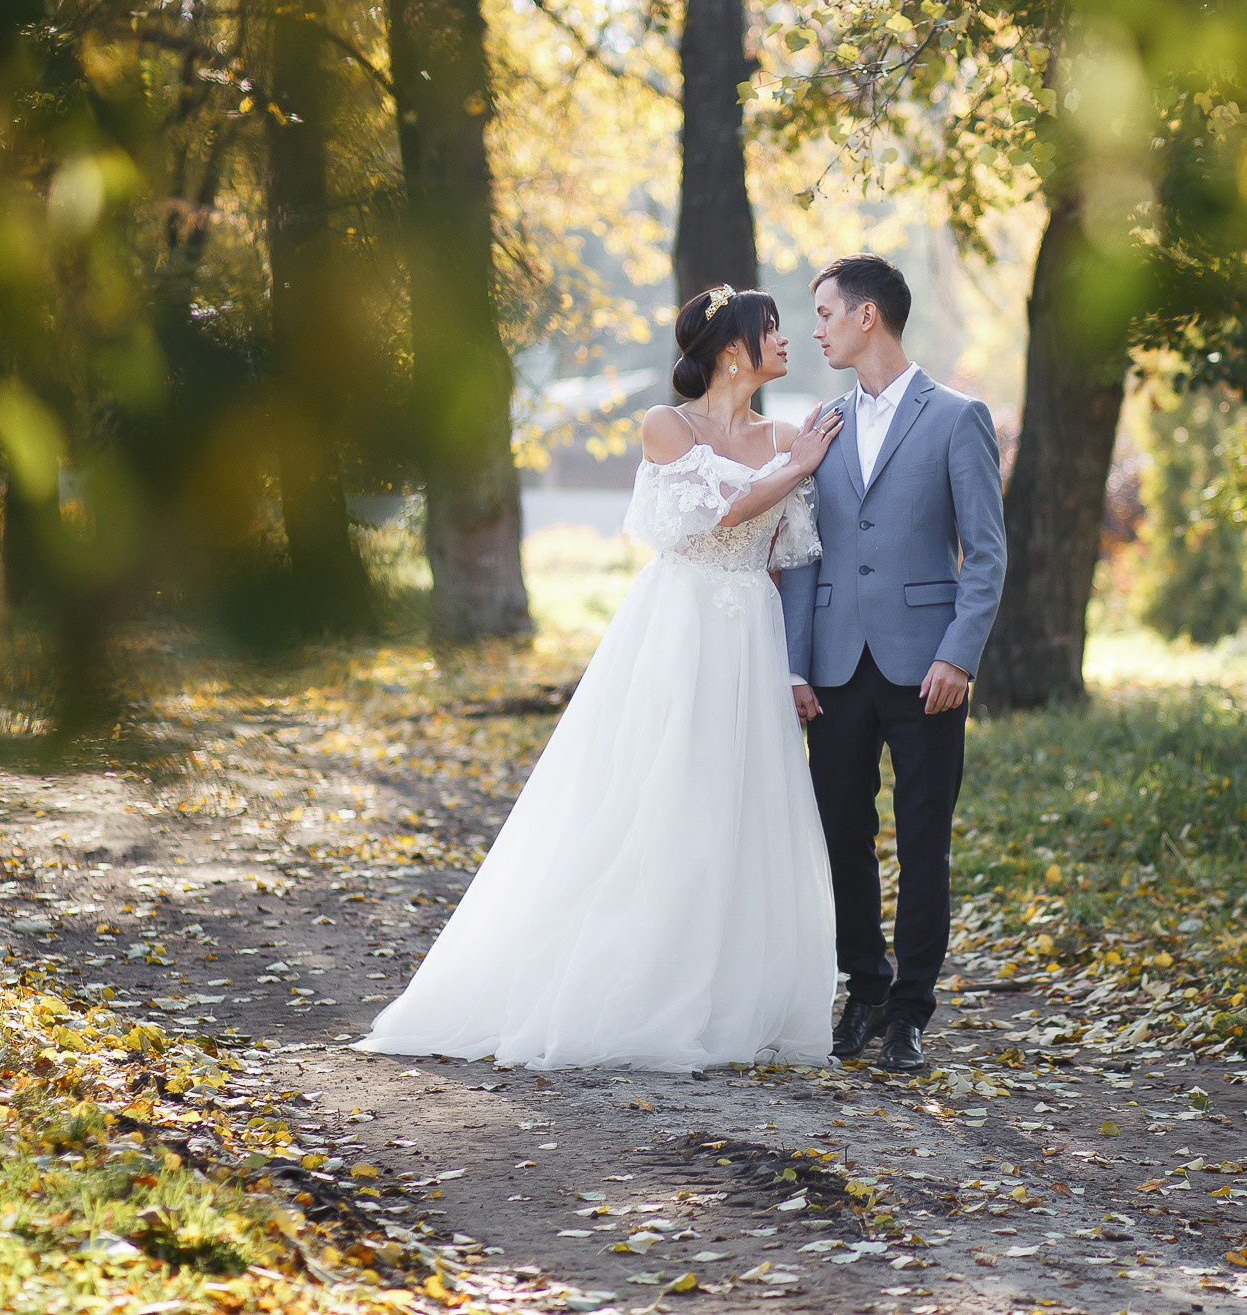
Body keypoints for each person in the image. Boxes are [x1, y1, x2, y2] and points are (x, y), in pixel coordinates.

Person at [358, 286, 844, 1071]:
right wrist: (798, 468)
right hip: (677, 627)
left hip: (748, 631)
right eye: (772, 330)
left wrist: (792, 663)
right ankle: (621, 983)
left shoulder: (789, 436)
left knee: (737, 801)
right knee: (654, 791)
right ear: (730, 349)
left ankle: (726, 992)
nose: (787, 342)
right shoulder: (668, 425)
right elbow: (714, 515)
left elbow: (788, 565)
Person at [776, 254, 1006, 1074]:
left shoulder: (957, 417)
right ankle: (864, 989)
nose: (816, 328)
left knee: (923, 839)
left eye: (826, 311)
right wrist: (795, 666)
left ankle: (910, 1009)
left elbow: (985, 553)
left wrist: (959, 655)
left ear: (868, 315)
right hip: (836, 665)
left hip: (926, 669)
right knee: (843, 835)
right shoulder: (820, 427)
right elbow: (801, 557)